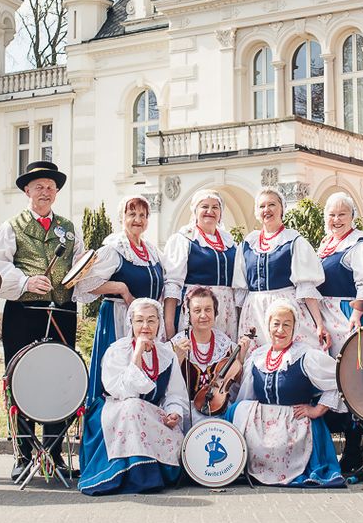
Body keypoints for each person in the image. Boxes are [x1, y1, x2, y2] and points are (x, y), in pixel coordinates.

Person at [0, 160, 84, 482]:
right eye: (38, 187)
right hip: (24, 313)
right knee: (21, 379)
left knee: (60, 379)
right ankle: (23, 453)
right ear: (27, 191)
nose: (45, 192)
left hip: (61, 312)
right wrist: (27, 281)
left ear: (56, 192)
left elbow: (79, 265)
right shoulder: (11, 226)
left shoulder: (69, 228)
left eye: (50, 187)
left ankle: (55, 451)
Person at [229, 300, 345, 488]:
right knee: (237, 409)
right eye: (276, 324)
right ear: (268, 326)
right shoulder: (257, 357)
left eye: (286, 324)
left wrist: (317, 410)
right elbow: (246, 395)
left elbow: (339, 380)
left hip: (295, 424)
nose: (280, 330)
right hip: (263, 426)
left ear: (294, 328)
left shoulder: (306, 356)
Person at [78, 298, 188, 495]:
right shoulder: (117, 351)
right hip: (115, 409)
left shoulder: (166, 355)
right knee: (132, 406)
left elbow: (175, 394)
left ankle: (153, 472)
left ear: (159, 324)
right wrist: (137, 353)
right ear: (131, 323)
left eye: (151, 320)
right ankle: (130, 474)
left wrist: (174, 413)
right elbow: (123, 392)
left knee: (139, 410)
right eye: (139, 320)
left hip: (149, 412)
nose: (145, 326)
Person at [76, 195, 165, 407]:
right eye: (132, 213)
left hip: (146, 323)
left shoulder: (151, 251)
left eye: (142, 215)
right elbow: (83, 284)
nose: (138, 219)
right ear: (121, 217)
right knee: (120, 375)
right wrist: (121, 289)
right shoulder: (113, 249)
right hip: (117, 318)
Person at [315, 192, 363, 473]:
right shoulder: (326, 244)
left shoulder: (359, 245)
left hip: (345, 315)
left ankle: (355, 448)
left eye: (342, 214)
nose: (336, 219)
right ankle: (330, 446)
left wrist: (356, 314)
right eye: (331, 214)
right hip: (323, 317)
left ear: (352, 216)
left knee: (349, 380)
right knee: (326, 379)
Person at [233, 188, 329, 350]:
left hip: (286, 309)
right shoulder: (248, 244)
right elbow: (240, 291)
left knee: (294, 356)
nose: (267, 210)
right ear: (257, 212)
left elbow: (306, 287)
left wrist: (319, 324)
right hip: (255, 312)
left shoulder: (294, 241)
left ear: (282, 208)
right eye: (262, 206)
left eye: (272, 204)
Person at [169, 286, 252, 431]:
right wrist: (177, 360)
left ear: (215, 313)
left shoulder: (226, 345)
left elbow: (236, 389)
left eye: (208, 309)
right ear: (188, 315)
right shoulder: (177, 344)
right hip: (187, 410)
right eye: (197, 310)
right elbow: (168, 388)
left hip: (220, 411)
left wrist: (241, 359)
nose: (203, 315)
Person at [162, 190, 238, 339]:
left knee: (224, 357)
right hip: (197, 309)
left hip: (226, 311)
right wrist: (169, 323)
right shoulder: (184, 239)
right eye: (204, 206)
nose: (210, 211)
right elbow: (173, 284)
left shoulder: (229, 242)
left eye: (215, 207)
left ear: (221, 213)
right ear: (195, 211)